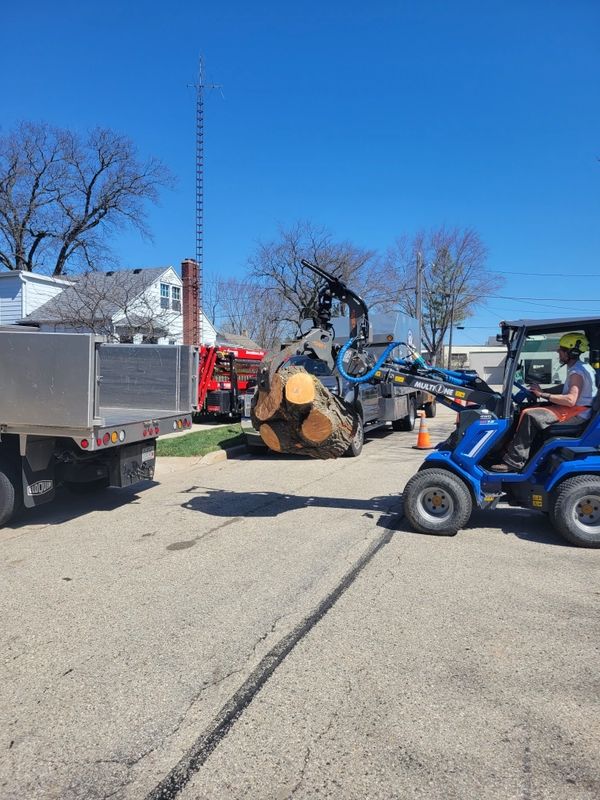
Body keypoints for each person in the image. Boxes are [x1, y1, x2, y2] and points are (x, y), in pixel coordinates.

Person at [491, 332, 597, 473]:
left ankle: (515, 462)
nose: (558, 352)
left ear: (572, 352)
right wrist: (544, 390)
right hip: (579, 410)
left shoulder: (577, 371)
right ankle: (510, 451)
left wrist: (543, 394)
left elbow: (570, 400)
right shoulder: (581, 367)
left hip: (578, 414)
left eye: (561, 350)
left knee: (530, 415)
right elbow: (566, 387)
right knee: (527, 408)